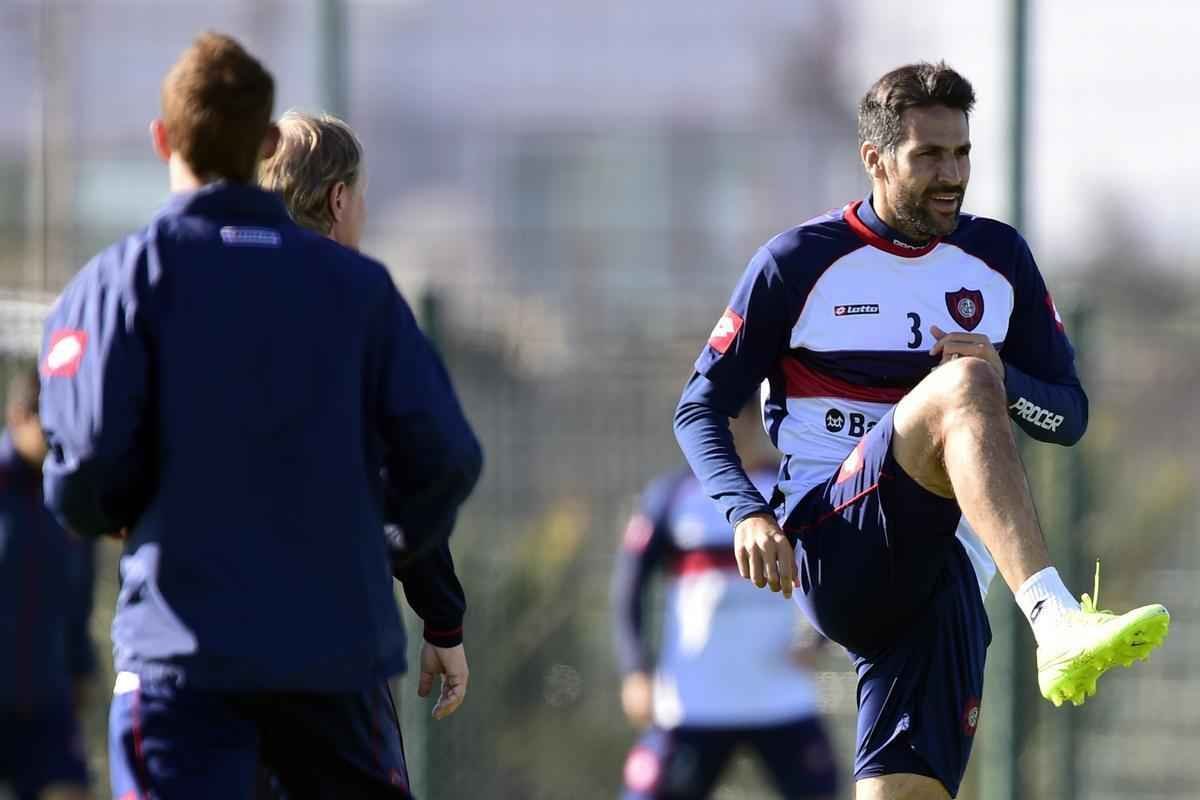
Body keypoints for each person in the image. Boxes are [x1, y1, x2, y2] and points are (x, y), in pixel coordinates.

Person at [673, 61, 1169, 800]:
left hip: (945, 576)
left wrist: (1008, 378)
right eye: (929, 155)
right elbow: (699, 407)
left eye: (962, 153)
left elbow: (1068, 416)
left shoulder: (999, 260)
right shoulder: (798, 262)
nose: (952, 174)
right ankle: (1054, 616)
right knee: (963, 385)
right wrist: (745, 511)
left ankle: (1041, 614)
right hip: (835, 540)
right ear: (875, 160)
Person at [37, 33, 482, 799]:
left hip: (182, 658)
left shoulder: (117, 283)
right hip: (334, 656)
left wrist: (136, 515)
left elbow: (80, 475)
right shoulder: (359, 293)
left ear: (161, 139)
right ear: (264, 140)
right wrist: (379, 542)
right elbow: (445, 459)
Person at [254, 109, 471, 791]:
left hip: (202, 638)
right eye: (363, 195)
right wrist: (441, 616)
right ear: (339, 199)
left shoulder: (197, 290)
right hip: (334, 635)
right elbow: (422, 464)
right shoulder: (359, 303)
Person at [612, 406, 838, 800]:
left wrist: (818, 639)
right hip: (693, 702)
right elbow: (628, 589)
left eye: (731, 420)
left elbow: (835, 569)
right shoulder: (671, 495)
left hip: (780, 696)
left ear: (753, 421)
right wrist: (636, 670)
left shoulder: (791, 492)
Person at [0, 367, 96, 800]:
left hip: (46, 702)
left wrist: (81, 667)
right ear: (18, 416)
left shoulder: (70, 494)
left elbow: (78, 599)